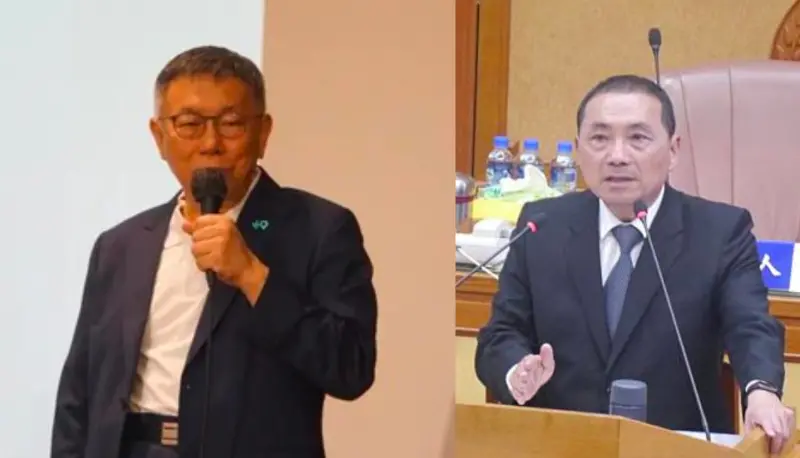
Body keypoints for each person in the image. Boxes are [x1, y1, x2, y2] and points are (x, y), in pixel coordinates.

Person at [50, 45, 378, 458]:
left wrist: (253, 276)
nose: (211, 143)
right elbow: (79, 391)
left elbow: (351, 369)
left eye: (231, 124)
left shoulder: (319, 229)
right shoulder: (121, 245)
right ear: (159, 137)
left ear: (263, 133)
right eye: (189, 124)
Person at [475, 74, 796, 454]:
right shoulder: (541, 226)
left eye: (638, 138)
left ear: (673, 150)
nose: (617, 155)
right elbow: (501, 333)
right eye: (599, 138)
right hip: (558, 443)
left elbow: (751, 325)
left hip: (677, 447)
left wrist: (761, 391)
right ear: (578, 150)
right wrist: (516, 370)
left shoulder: (719, 231)